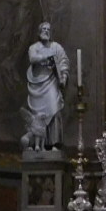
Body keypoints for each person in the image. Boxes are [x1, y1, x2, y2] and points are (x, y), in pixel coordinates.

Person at [23, 21, 70, 149]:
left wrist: (63, 76)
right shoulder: (34, 47)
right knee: (37, 115)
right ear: (39, 32)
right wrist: (47, 57)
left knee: (54, 109)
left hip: (52, 84)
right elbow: (32, 58)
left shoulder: (56, 47)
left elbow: (64, 61)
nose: (46, 31)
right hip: (37, 85)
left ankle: (54, 143)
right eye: (44, 29)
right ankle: (35, 144)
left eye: (48, 29)